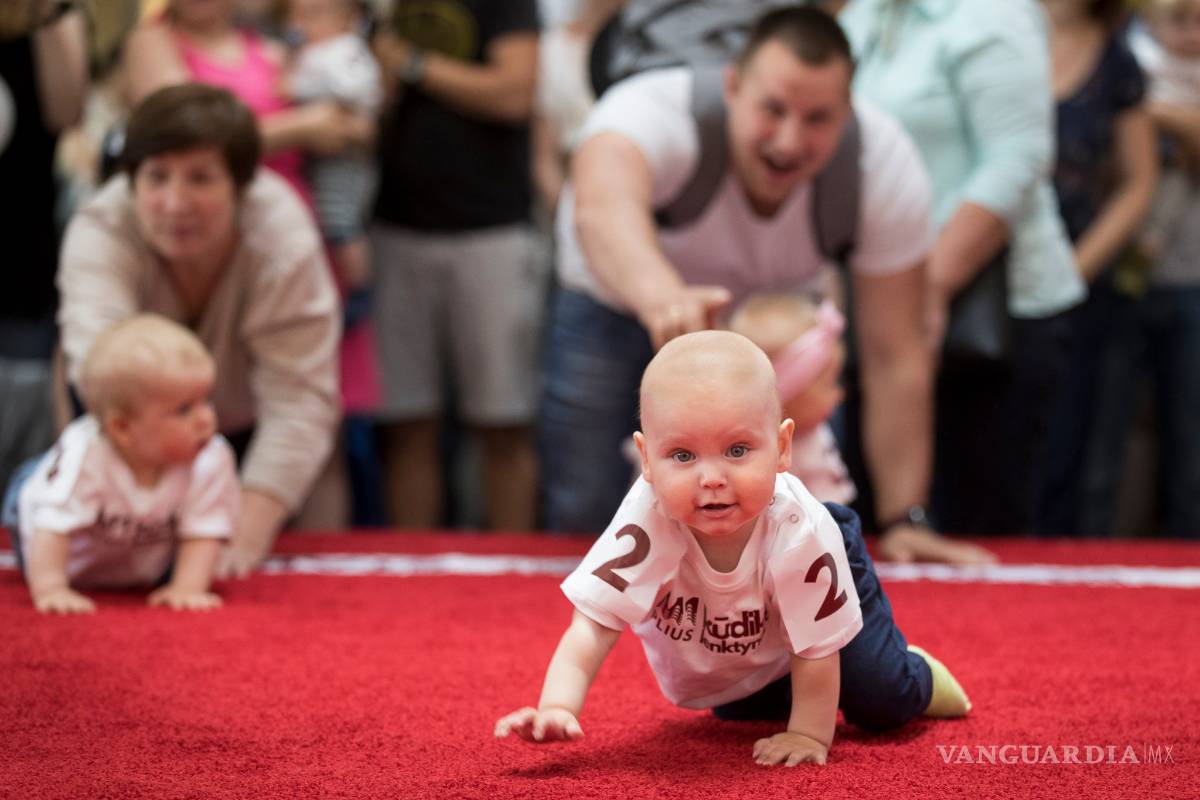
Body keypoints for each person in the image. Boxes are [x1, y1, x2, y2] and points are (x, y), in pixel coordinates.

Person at [541, 6, 986, 564]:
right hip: (621, 305)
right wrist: (662, 298)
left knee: (796, 515)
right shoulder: (651, 108)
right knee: (587, 512)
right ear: (732, 87)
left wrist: (905, 515)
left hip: (777, 326)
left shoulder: (883, 161)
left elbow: (896, 350)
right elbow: (600, 213)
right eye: (772, 109)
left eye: (818, 118)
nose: (788, 140)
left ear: (848, 113)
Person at [495, 331, 970, 764]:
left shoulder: (799, 528)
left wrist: (808, 735)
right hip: (742, 625)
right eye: (683, 456)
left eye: (738, 450)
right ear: (646, 460)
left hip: (825, 560)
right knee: (740, 706)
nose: (712, 478)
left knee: (877, 698)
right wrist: (557, 705)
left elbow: (816, 650)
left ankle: (919, 673)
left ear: (782, 447)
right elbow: (594, 624)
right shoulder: (647, 518)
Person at [56, 84, 341, 577]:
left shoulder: (282, 238)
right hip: (129, 438)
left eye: (201, 179)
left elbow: (300, 400)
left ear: (242, 184)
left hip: (253, 432)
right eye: (157, 177)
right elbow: (101, 374)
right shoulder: (99, 229)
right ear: (130, 180)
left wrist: (236, 539)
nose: (174, 202)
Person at [839, 0, 1087, 536]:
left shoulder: (994, 15)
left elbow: (1017, 160)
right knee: (881, 530)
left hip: (996, 316)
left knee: (986, 528)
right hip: (884, 313)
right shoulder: (860, 17)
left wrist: (928, 287)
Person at [370, 0, 542, 531]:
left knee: (504, 424)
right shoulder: (377, 9)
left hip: (491, 230)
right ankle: (410, 578)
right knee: (405, 425)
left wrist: (412, 65)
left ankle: (515, 576)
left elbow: (515, 92)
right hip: (393, 227)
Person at [3, 314, 239, 614]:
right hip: (56, 551)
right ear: (123, 428)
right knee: (37, 488)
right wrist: (51, 588)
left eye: (206, 399)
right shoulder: (86, 455)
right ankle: (38, 476)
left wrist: (186, 587)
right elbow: (50, 525)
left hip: (140, 558)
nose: (206, 419)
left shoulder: (209, 456)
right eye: (183, 409)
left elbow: (204, 530)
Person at [1078, 0, 1200, 537]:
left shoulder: (1129, 82)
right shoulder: (1123, 62)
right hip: (1120, 277)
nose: (1191, 33)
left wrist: (1150, 113)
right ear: (1149, 16)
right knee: (1103, 433)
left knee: (1190, 438)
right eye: (1179, 18)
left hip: (1191, 279)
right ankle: (1087, 554)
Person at [1038, 0, 1156, 535]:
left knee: (1071, 450)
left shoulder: (1117, 58)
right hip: (984, 267)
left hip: (1077, 284)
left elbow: (1140, 180)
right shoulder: (991, 26)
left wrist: (1073, 270)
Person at [0, 0, 88, 497]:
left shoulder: (52, 14)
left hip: (21, 259)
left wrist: (46, 14)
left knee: (22, 458)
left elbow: (67, 111)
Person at [283, 0, 381, 310]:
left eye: (314, 15)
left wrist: (298, 90)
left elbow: (355, 90)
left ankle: (361, 288)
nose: (303, 23)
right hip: (318, 157)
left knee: (340, 220)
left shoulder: (344, 50)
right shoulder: (314, 50)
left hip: (343, 158)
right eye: (299, 14)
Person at [728, 291, 855, 505]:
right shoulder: (769, 456)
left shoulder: (815, 430)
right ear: (787, 392)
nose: (839, 394)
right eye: (829, 383)